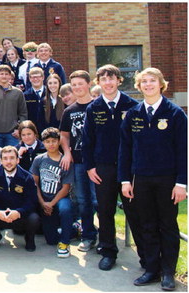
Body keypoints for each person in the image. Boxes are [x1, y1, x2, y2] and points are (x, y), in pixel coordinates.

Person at [119, 68, 187, 290]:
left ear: (161, 84)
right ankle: (152, 269)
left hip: (168, 180)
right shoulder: (133, 114)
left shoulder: (175, 114)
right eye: (144, 81)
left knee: (167, 225)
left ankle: (168, 272)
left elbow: (183, 151)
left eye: (152, 81)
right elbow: (125, 150)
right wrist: (125, 180)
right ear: (139, 86)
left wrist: (181, 183)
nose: (148, 85)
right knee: (146, 225)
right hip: (141, 179)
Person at [81, 64, 142, 271]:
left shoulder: (132, 105)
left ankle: (145, 255)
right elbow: (87, 141)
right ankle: (108, 251)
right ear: (98, 83)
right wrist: (90, 167)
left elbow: (138, 140)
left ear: (119, 81)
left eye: (111, 78)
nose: (108, 83)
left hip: (129, 170)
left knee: (135, 211)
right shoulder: (93, 107)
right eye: (103, 79)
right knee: (105, 211)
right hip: (103, 168)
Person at [59, 70, 98, 253]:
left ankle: (106, 236)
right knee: (83, 200)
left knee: (99, 200)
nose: (77, 88)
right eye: (73, 85)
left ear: (88, 84)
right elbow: (64, 135)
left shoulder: (99, 106)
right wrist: (67, 152)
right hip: (79, 162)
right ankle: (88, 235)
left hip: (99, 163)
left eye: (80, 84)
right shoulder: (69, 111)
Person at [0, 146, 40, 251]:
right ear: (0, 161)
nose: (9, 161)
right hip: (1, 216)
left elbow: (32, 201)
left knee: (34, 218)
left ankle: (29, 239)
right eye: (5, 158)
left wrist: (19, 212)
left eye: (12, 158)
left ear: (18, 160)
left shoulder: (27, 177)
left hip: (19, 217)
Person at [31, 127, 75, 257]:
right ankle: (72, 229)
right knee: (50, 240)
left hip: (60, 199)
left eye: (54, 141)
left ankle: (65, 242)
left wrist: (51, 204)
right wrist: (43, 203)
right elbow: (35, 183)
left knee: (66, 209)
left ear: (59, 142)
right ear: (43, 143)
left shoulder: (65, 161)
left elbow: (66, 187)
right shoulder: (39, 160)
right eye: (48, 141)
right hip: (44, 199)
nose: (51, 144)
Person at [0, 65, 27, 147]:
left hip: (13, 134)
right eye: (2, 74)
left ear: (10, 76)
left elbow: (23, 113)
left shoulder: (18, 93)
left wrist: (19, 130)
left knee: (13, 157)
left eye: (6, 74)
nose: (4, 76)